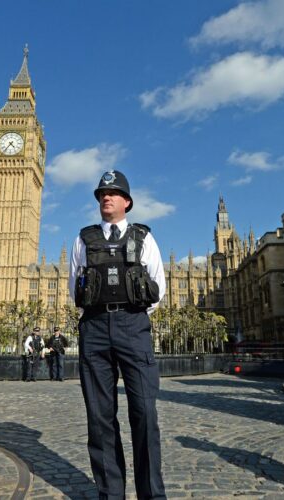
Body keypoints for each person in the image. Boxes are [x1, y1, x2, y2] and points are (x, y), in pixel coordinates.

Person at [68, 170, 167, 499]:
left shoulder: (144, 237)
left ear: (127, 201)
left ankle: (151, 495)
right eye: (101, 193)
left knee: (144, 414)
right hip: (94, 330)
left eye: (112, 193)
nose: (105, 197)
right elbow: (75, 288)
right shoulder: (83, 239)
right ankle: (111, 494)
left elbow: (158, 289)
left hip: (133, 328)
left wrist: (131, 315)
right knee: (99, 418)